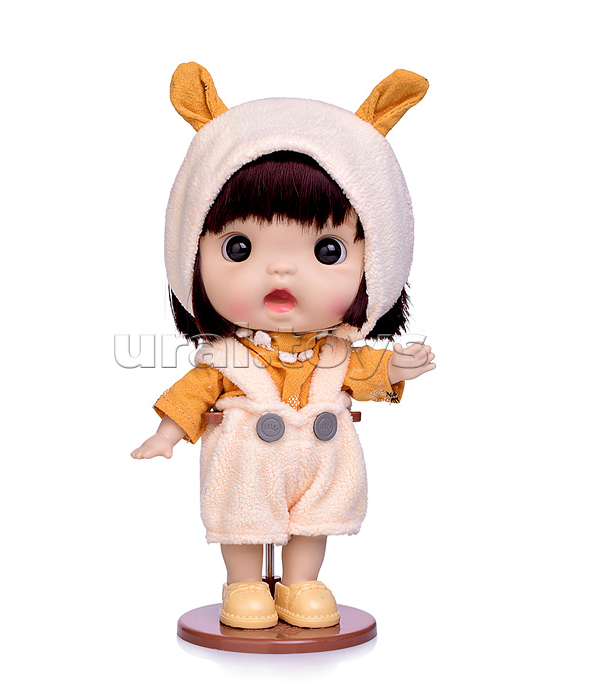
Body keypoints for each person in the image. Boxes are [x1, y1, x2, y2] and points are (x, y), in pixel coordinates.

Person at [131, 63, 436, 630]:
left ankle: (301, 583)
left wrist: (397, 366)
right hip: (246, 462)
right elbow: (194, 392)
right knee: (243, 521)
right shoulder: (227, 357)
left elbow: (366, 370)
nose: (281, 270)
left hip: (320, 458)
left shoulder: (335, 354)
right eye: (240, 248)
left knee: (312, 523)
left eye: (326, 251)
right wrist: (167, 433)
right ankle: (244, 584)